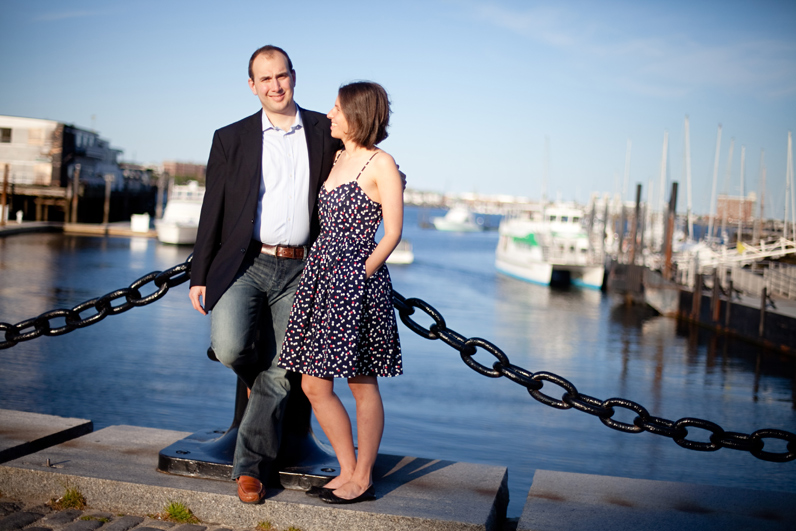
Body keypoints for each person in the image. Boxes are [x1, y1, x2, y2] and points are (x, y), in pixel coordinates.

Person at [188, 45, 342, 504]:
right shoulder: (230, 137)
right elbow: (211, 208)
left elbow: (362, 163)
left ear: (294, 76)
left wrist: (391, 179)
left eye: (282, 76)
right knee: (232, 346)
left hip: (302, 268)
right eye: (265, 79)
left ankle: (250, 469)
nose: (276, 86)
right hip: (245, 264)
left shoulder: (324, 130)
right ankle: (266, 387)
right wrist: (199, 273)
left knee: (281, 369)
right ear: (252, 85)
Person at [278, 81, 403, 504]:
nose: (329, 115)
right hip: (320, 278)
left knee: (362, 383)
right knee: (314, 384)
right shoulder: (336, 158)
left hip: (356, 283)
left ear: (358, 114)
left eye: (336, 108)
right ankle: (346, 468)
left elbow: (393, 233)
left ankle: (362, 477)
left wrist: (358, 276)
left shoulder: (381, 163)